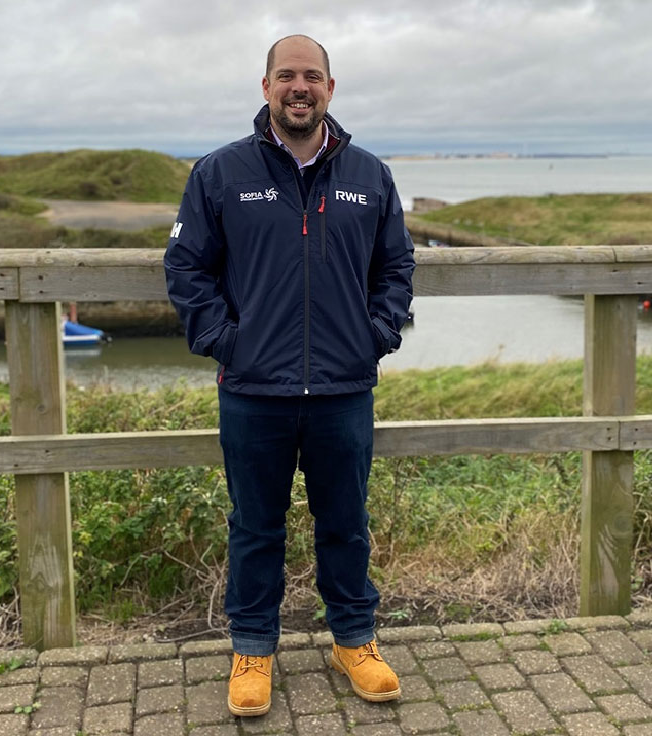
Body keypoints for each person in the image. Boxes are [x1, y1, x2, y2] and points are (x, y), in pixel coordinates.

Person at [164, 34, 415, 717]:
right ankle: (253, 648)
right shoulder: (218, 173)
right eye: (286, 76)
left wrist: (375, 335)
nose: (298, 87)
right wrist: (226, 342)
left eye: (311, 76)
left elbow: (396, 268)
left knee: (345, 521)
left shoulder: (370, 175)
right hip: (253, 391)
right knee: (255, 525)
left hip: (342, 389)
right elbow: (187, 269)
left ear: (331, 89)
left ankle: (353, 640)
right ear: (266, 87)